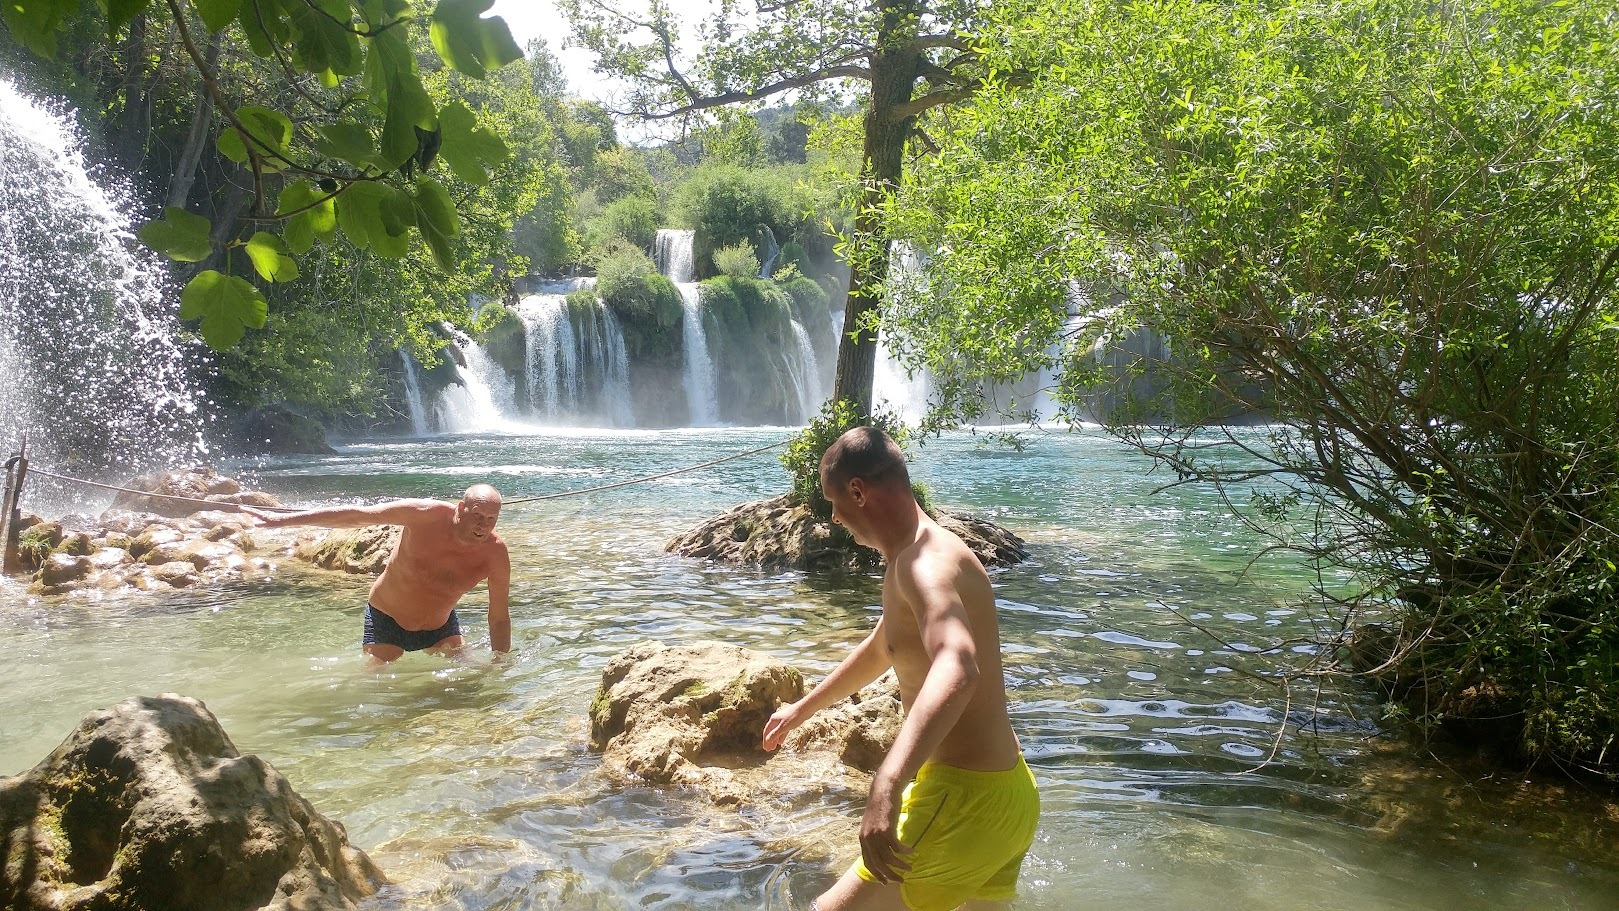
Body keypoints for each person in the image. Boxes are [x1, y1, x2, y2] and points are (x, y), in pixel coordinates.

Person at [762, 427, 1038, 911]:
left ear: (857, 491)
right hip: (1009, 792)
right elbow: (883, 646)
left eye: (834, 501)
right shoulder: (915, 555)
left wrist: (887, 781)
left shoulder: (922, 564)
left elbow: (959, 665)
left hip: (963, 798)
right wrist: (801, 710)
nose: (834, 516)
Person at [243, 484, 511, 662]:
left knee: (474, 681)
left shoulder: (496, 553)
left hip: (440, 628)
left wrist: (501, 664)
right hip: (387, 620)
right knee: (375, 691)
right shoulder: (424, 515)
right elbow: (359, 516)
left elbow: (498, 617)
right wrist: (281, 520)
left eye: (491, 519)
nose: (482, 526)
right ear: (461, 508)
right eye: (477, 515)